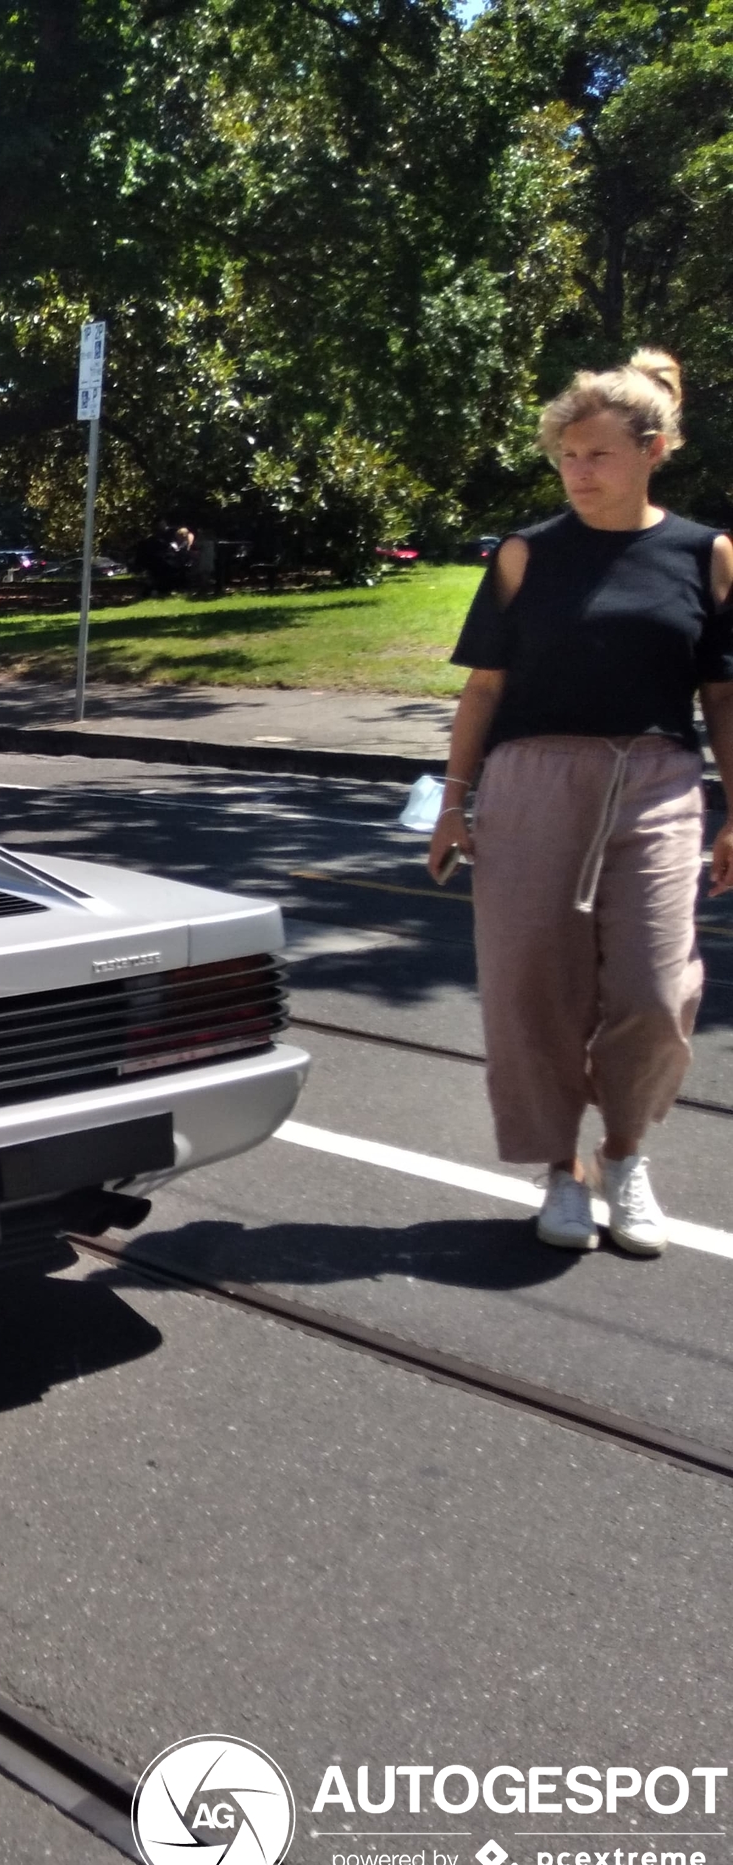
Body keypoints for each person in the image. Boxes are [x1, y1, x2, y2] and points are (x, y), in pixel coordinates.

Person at [428, 350, 733, 1257]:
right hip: (531, 780)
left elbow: (722, 697)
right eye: (567, 455)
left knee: (653, 987)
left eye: (596, 454)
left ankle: (625, 1155)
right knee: (535, 988)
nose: (579, 472)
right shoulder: (527, 554)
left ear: (654, 449)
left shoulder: (705, 552)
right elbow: (483, 689)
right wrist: (453, 802)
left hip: (659, 781)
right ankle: (559, 1167)